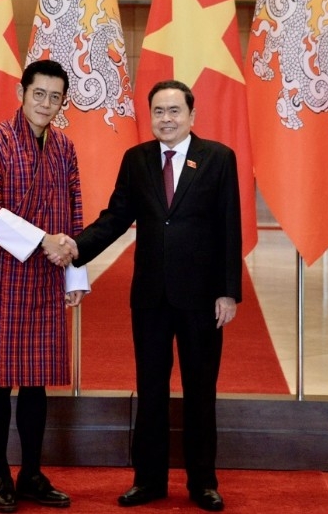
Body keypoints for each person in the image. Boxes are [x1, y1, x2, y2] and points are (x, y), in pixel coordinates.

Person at [71, 79, 242, 512]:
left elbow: (229, 227)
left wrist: (228, 292)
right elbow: (116, 216)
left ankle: (203, 482)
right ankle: (148, 480)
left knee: (200, 390)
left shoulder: (219, 159)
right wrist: (77, 248)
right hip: (149, 296)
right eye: (159, 112)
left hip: (202, 298)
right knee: (150, 389)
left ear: (192, 115)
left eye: (174, 111)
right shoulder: (136, 159)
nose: (166, 119)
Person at [0, 59, 88, 513]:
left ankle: (31, 472)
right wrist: (43, 240)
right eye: (39, 94)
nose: (46, 104)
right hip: (2, 273)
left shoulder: (65, 148)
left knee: (37, 384)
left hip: (49, 275)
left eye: (55, 97)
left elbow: (75, 211)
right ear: (22, 92)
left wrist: (76, 272)